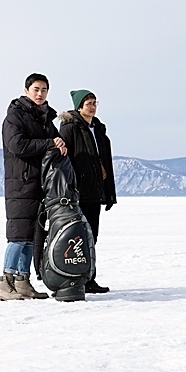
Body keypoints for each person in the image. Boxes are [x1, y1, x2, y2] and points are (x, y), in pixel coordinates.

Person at [0, 73, 66, 300]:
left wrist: (59, 143)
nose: (40, 94)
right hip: (21, 184)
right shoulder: (14, 117)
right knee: (17, 236)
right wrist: (49, 143)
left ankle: (23, 282)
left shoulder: (45, 119)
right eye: (36, 89)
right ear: (27, 90)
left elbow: (55, 141)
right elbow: (17, 145)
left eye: (44, 90)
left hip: (39, 185)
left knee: (29, 238)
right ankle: (5, 284)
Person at [58, 89, 117, 293]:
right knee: (77, 238)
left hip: (95, 192)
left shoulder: (98, 130)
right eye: (88, 103)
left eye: (94, 102)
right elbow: (63, 161)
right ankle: (75, 279)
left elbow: (105, 163)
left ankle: (89, 278)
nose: (92, 106)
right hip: (77, 193)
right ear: (79, 106)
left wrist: (108, 193)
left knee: (92, 237)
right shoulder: (70, 128)